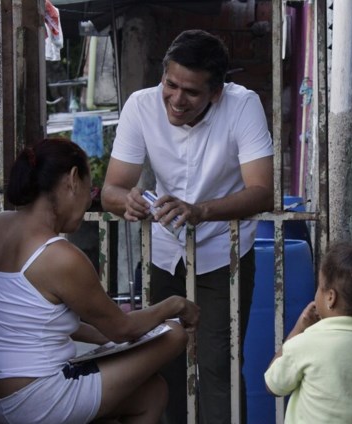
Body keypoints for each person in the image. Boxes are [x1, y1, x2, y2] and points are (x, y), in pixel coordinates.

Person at [101, 29, 273, 423]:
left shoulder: (243, 105)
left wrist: (201, 212)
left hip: (223, 254)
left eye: (191, 92)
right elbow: (112, 188)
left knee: (218, 366)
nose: (176, 100)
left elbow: (262, 191)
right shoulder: (140, 105)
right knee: (162, 363)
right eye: (170, 84)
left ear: (216, 92)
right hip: (161, 254)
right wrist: (124, 200)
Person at [0, 138, 200, 424]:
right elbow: (122, 328)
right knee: (174, 335)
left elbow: (33, 319)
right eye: (90, 189)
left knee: (152, 392)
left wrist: (105, 336)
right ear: (73, 180)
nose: (89, 201)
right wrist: (176, 304)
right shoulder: (60, 256)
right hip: (38, 400)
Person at [264, 242, 352, 423]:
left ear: (330, 298)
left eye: (319, 286)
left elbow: (273, 385)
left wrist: (298, 329)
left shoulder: (307, 343)